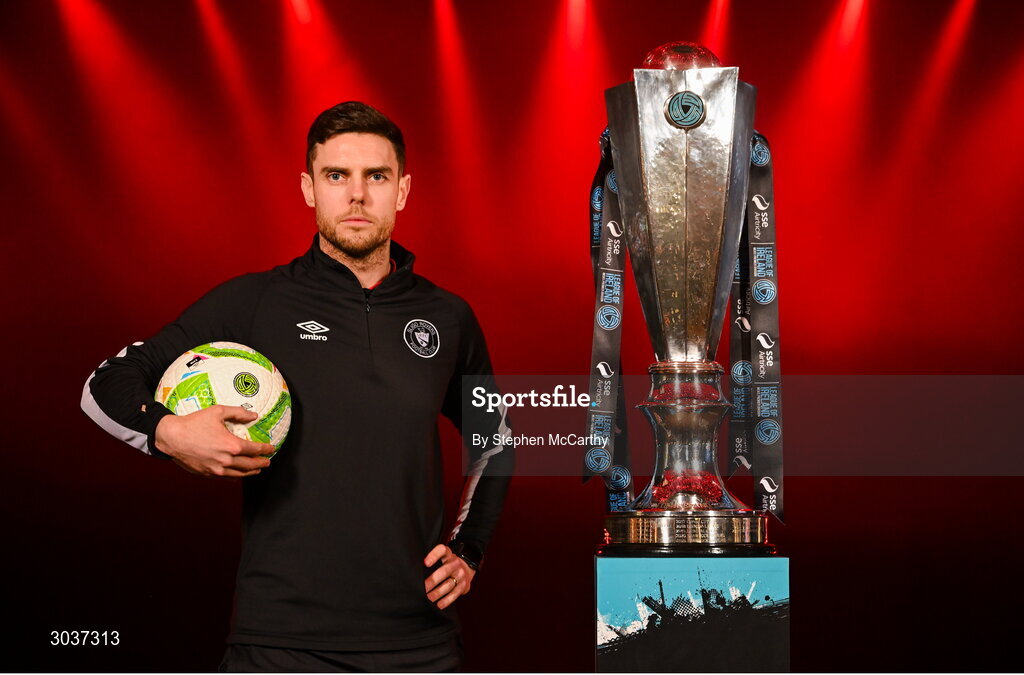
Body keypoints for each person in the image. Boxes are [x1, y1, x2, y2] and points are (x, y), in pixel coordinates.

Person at [80, 101, 514, 672]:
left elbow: (500, 436)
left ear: (402, 190)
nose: (356, 195)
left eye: (376, 177)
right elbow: (104, 383)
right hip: (280, 643)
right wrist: (168, 431)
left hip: (419, 645)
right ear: (309, 188)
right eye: (337, 176)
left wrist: (469, 549)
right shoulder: (255, 302)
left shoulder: (448, 316)